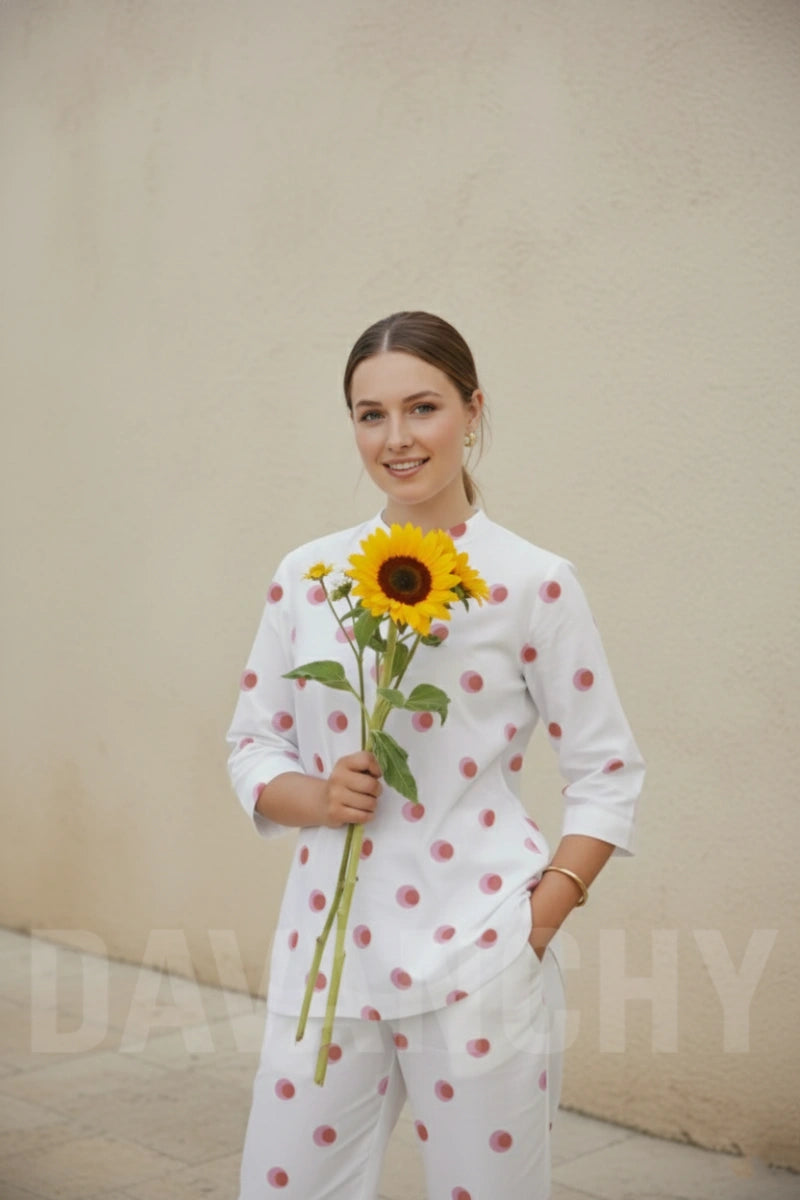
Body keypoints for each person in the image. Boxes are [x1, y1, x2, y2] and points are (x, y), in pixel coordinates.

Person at [226, 311, 645, 1199]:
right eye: (369, 414)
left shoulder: (534, 582)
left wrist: (540, 918)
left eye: (423, 408)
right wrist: (315, 794)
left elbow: (607, 771)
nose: (397, 438)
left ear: (473, 409)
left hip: (482, 955)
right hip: (326, 957)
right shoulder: (311, 575)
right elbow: (254, 738)